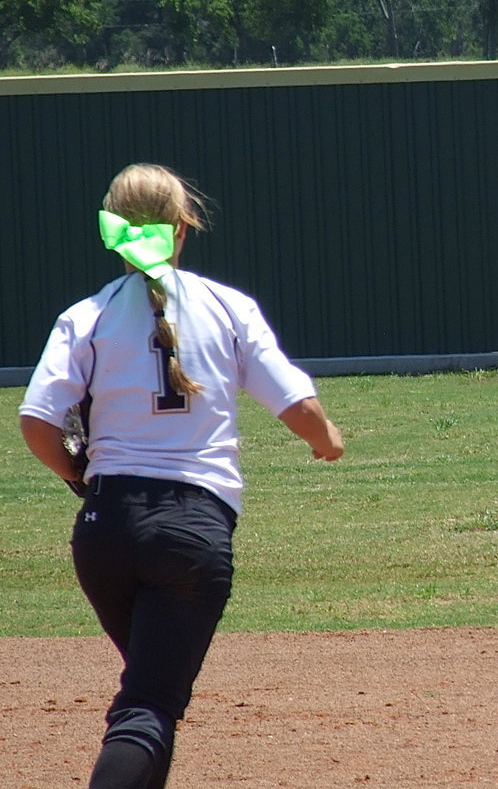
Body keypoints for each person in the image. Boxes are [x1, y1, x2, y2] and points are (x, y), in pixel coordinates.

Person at [18, 163, 345, 789]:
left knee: (151, 695)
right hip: (190, 534)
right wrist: (326, 440)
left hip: (104, 531)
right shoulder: (227, 308)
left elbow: (38, 420)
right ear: (183, 228)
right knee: (148, 707)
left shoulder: (85, 316)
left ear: (110, 231)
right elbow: (298, 408)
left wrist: (78, 476)